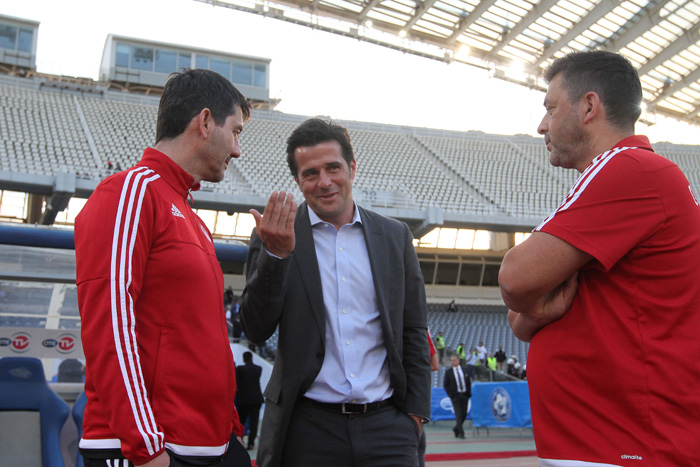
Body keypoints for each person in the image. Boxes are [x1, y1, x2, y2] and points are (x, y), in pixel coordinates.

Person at [499, 50, 700, 466]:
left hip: (628, 444)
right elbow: (520, 318)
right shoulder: (621, 175)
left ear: (589, 106)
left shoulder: (632, 169)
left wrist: (530, 306)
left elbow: (515, 279)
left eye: (551, 108)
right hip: (610, 442)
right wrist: (532, 310)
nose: (542, 125)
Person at [75, 69, 252, 467]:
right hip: (150, 448)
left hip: (210, 445)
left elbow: (199, 333)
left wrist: (228, 424)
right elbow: (110, 324)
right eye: (235, 132)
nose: (238, 150)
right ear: (205, 122)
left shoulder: (190, 217)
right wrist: (146, 449)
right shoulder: (130, 192)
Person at [240, 118, 431, 467]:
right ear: (298, 181)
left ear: (352, 168)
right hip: (307, 429)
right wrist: (277, 256)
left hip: (389, 428)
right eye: (310, 173)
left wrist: (414, 416)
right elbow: (255, 329)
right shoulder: (275, 235)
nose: (324, 182)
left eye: (333, 168)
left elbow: (414, 329)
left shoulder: (395, 236)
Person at [235, 352, 265, 451]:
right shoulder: (258, 369)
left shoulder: (240, 369)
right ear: (252, 358)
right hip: (256, 399)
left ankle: (240, 441)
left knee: (241, 421)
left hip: (244, 399)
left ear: (244, 359)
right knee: (254, 422)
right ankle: (251, 443)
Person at [443, 355, 470, 440]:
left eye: (454, 360)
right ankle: (461, 432)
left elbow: (468, 382)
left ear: (458, 361)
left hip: (464, 394)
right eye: (452, 360)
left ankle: (456, 428)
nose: (453, 362)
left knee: (464, 414)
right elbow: (445, 385)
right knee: (458, 414)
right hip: (455, 396)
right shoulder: (449, 372)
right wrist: (451, 395)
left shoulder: (464, 370)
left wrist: (468, 394)